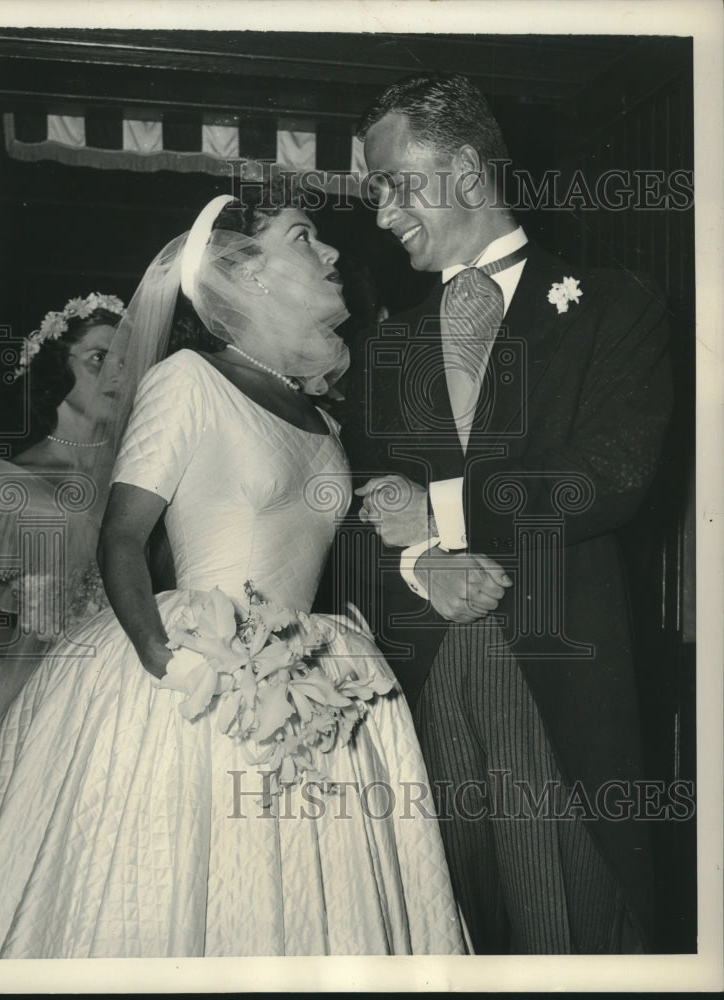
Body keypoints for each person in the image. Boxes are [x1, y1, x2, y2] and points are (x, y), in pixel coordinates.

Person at [0, 188, 467, 959]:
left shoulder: (321, 416)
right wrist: (159, 655)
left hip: (313, 669)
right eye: (305, 237)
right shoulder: (187, 379)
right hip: (199, 666)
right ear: (248, 275)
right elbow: (123, 535)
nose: (333, 252)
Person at [344, 73, 673, 953]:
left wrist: (439, 511)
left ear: (465, 168)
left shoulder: (616, 305)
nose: (381, 214)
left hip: (558, 674)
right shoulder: (383, 345)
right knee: (452, 928)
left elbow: (610, 474)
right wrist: (420, 563)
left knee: (566, 927)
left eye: (394, 183)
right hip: (419, 683)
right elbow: (348, 503)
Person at [0, 292, 126, 737]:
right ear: (54, 367)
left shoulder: (142, 477)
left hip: (126, 686)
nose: (118, 373)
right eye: (99, 357)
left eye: (127, 360)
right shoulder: (9, 480)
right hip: (36, 696)